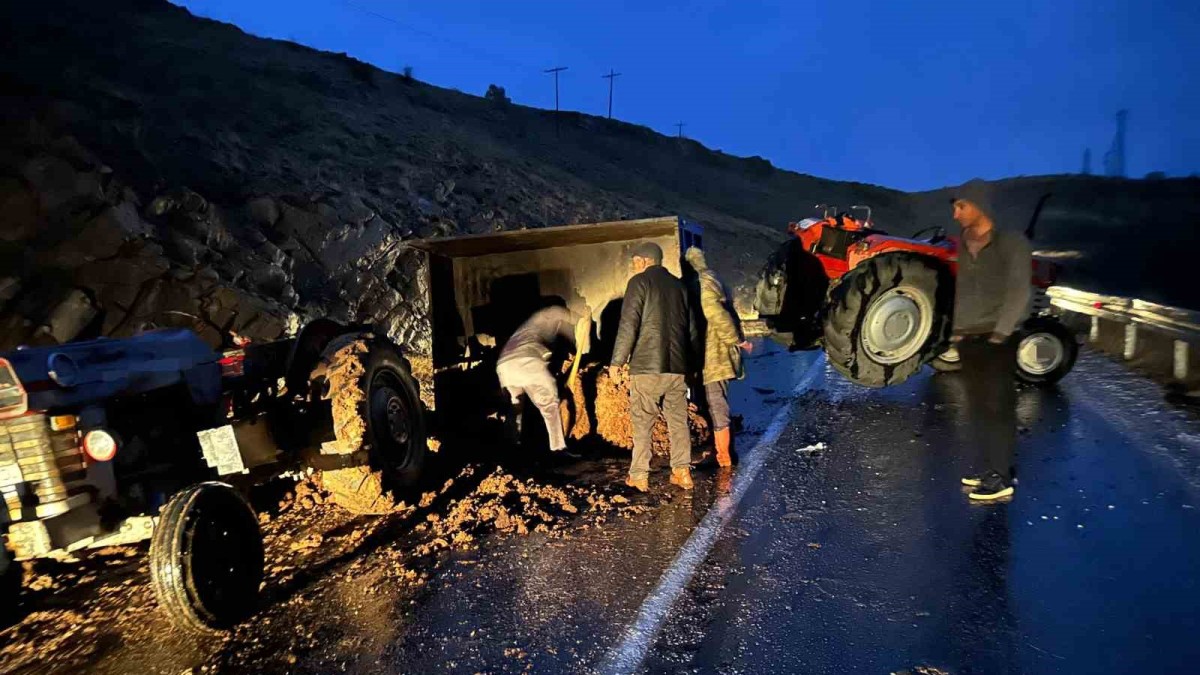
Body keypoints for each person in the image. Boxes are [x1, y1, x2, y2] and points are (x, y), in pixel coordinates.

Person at [950, 180, 1032, 501]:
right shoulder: (963, 241)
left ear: (980, 205)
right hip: (968, 336)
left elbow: (1019, 289)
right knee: (978, 407)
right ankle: (990, 467)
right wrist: (957, 329)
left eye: (961, 206)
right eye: (954, 207)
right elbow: (963, 289)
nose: (955, 213)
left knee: (999, 406)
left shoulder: (1011, 242)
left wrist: (1002, 331)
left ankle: (1001, 477)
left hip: (998, 337)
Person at [610, 242, 700, 491]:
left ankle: (639, 476)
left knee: (643, 421)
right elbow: (692, 330)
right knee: (678, 421)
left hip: (647, 367)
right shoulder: (679, 286)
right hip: (677, 367)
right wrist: (692, 365)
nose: (634, 265)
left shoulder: (639, 283)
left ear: (644, 260)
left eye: (635, 261)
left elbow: (629, 325)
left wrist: (617, 361)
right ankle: (682, 472)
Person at [684, 247, 752, 467]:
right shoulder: (710, 279)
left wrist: (736, 339)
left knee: (715, 402)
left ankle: (724, 458)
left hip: (714, 353)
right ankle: (721, 451)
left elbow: (714, 312)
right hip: (711, 352)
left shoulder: (703, 281)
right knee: (714, 401)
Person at [496, 303, 591, 457]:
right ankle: (558, 449)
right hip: (527, 362)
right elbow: (576, 330)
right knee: (549, 406)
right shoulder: (555, 313)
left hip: (504, 365)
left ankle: (510, 450)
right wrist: (583, 319)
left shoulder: (528, 326)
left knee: (515, 408)